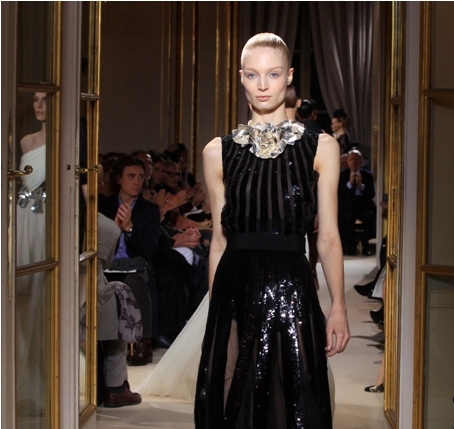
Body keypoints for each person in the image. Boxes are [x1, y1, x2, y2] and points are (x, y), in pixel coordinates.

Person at [194, 33, 349, 428]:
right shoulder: (217, 152)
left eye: (273, 74)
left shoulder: (321, 146)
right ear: (241, 78)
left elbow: (328, 236)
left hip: (292, 284)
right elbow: (219, 242)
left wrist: (338, 305)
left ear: (289, 76)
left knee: (294, 395)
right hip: (234, 284)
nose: (263, 85)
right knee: (231, 396)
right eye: (253, 74)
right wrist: (216, 313)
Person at [99, 156, 161, 366]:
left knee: (135, 283)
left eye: (140, 177)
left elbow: (149, 251)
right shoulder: (103, 206)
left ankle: (144, 343)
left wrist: (130, 228)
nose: (137, 182)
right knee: (100, 285)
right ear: (119, 179)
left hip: (135, 266)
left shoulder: (149, 210)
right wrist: (115, 228)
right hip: (107, 265)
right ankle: (100, 343)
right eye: (131, 176)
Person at [15, 92, 48, 417]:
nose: (39, 105)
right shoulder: (25, 141)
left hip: (47, 222)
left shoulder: (68, 141)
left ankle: (41, 378)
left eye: (44, 99)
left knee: (42, 295)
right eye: (35, 100)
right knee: (20, 293)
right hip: (23, 218)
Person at [338, 149, 376, 255]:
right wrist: (349, 184)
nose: (353, 162)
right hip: (348, 206)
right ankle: (349, 247)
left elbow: (372, 193)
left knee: (368, 217)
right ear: (347, 162)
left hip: (363, 205)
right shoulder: (342, 174)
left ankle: (366, 246)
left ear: (361, 161)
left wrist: (361, 186)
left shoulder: (367, 174)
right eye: (350, 160)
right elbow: (339, 192)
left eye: (355, 160)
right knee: (347, 218)